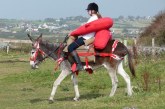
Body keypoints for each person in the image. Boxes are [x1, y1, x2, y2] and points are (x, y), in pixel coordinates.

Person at [64, 2, 102, 72]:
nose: (87, 11)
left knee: (70, 47)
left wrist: (73, 33)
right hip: (87, 36)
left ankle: (79, 65)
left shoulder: (93, 18)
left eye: (88, 10)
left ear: (92, 10)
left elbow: (85, 28)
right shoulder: (97, 17)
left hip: (86, 37)